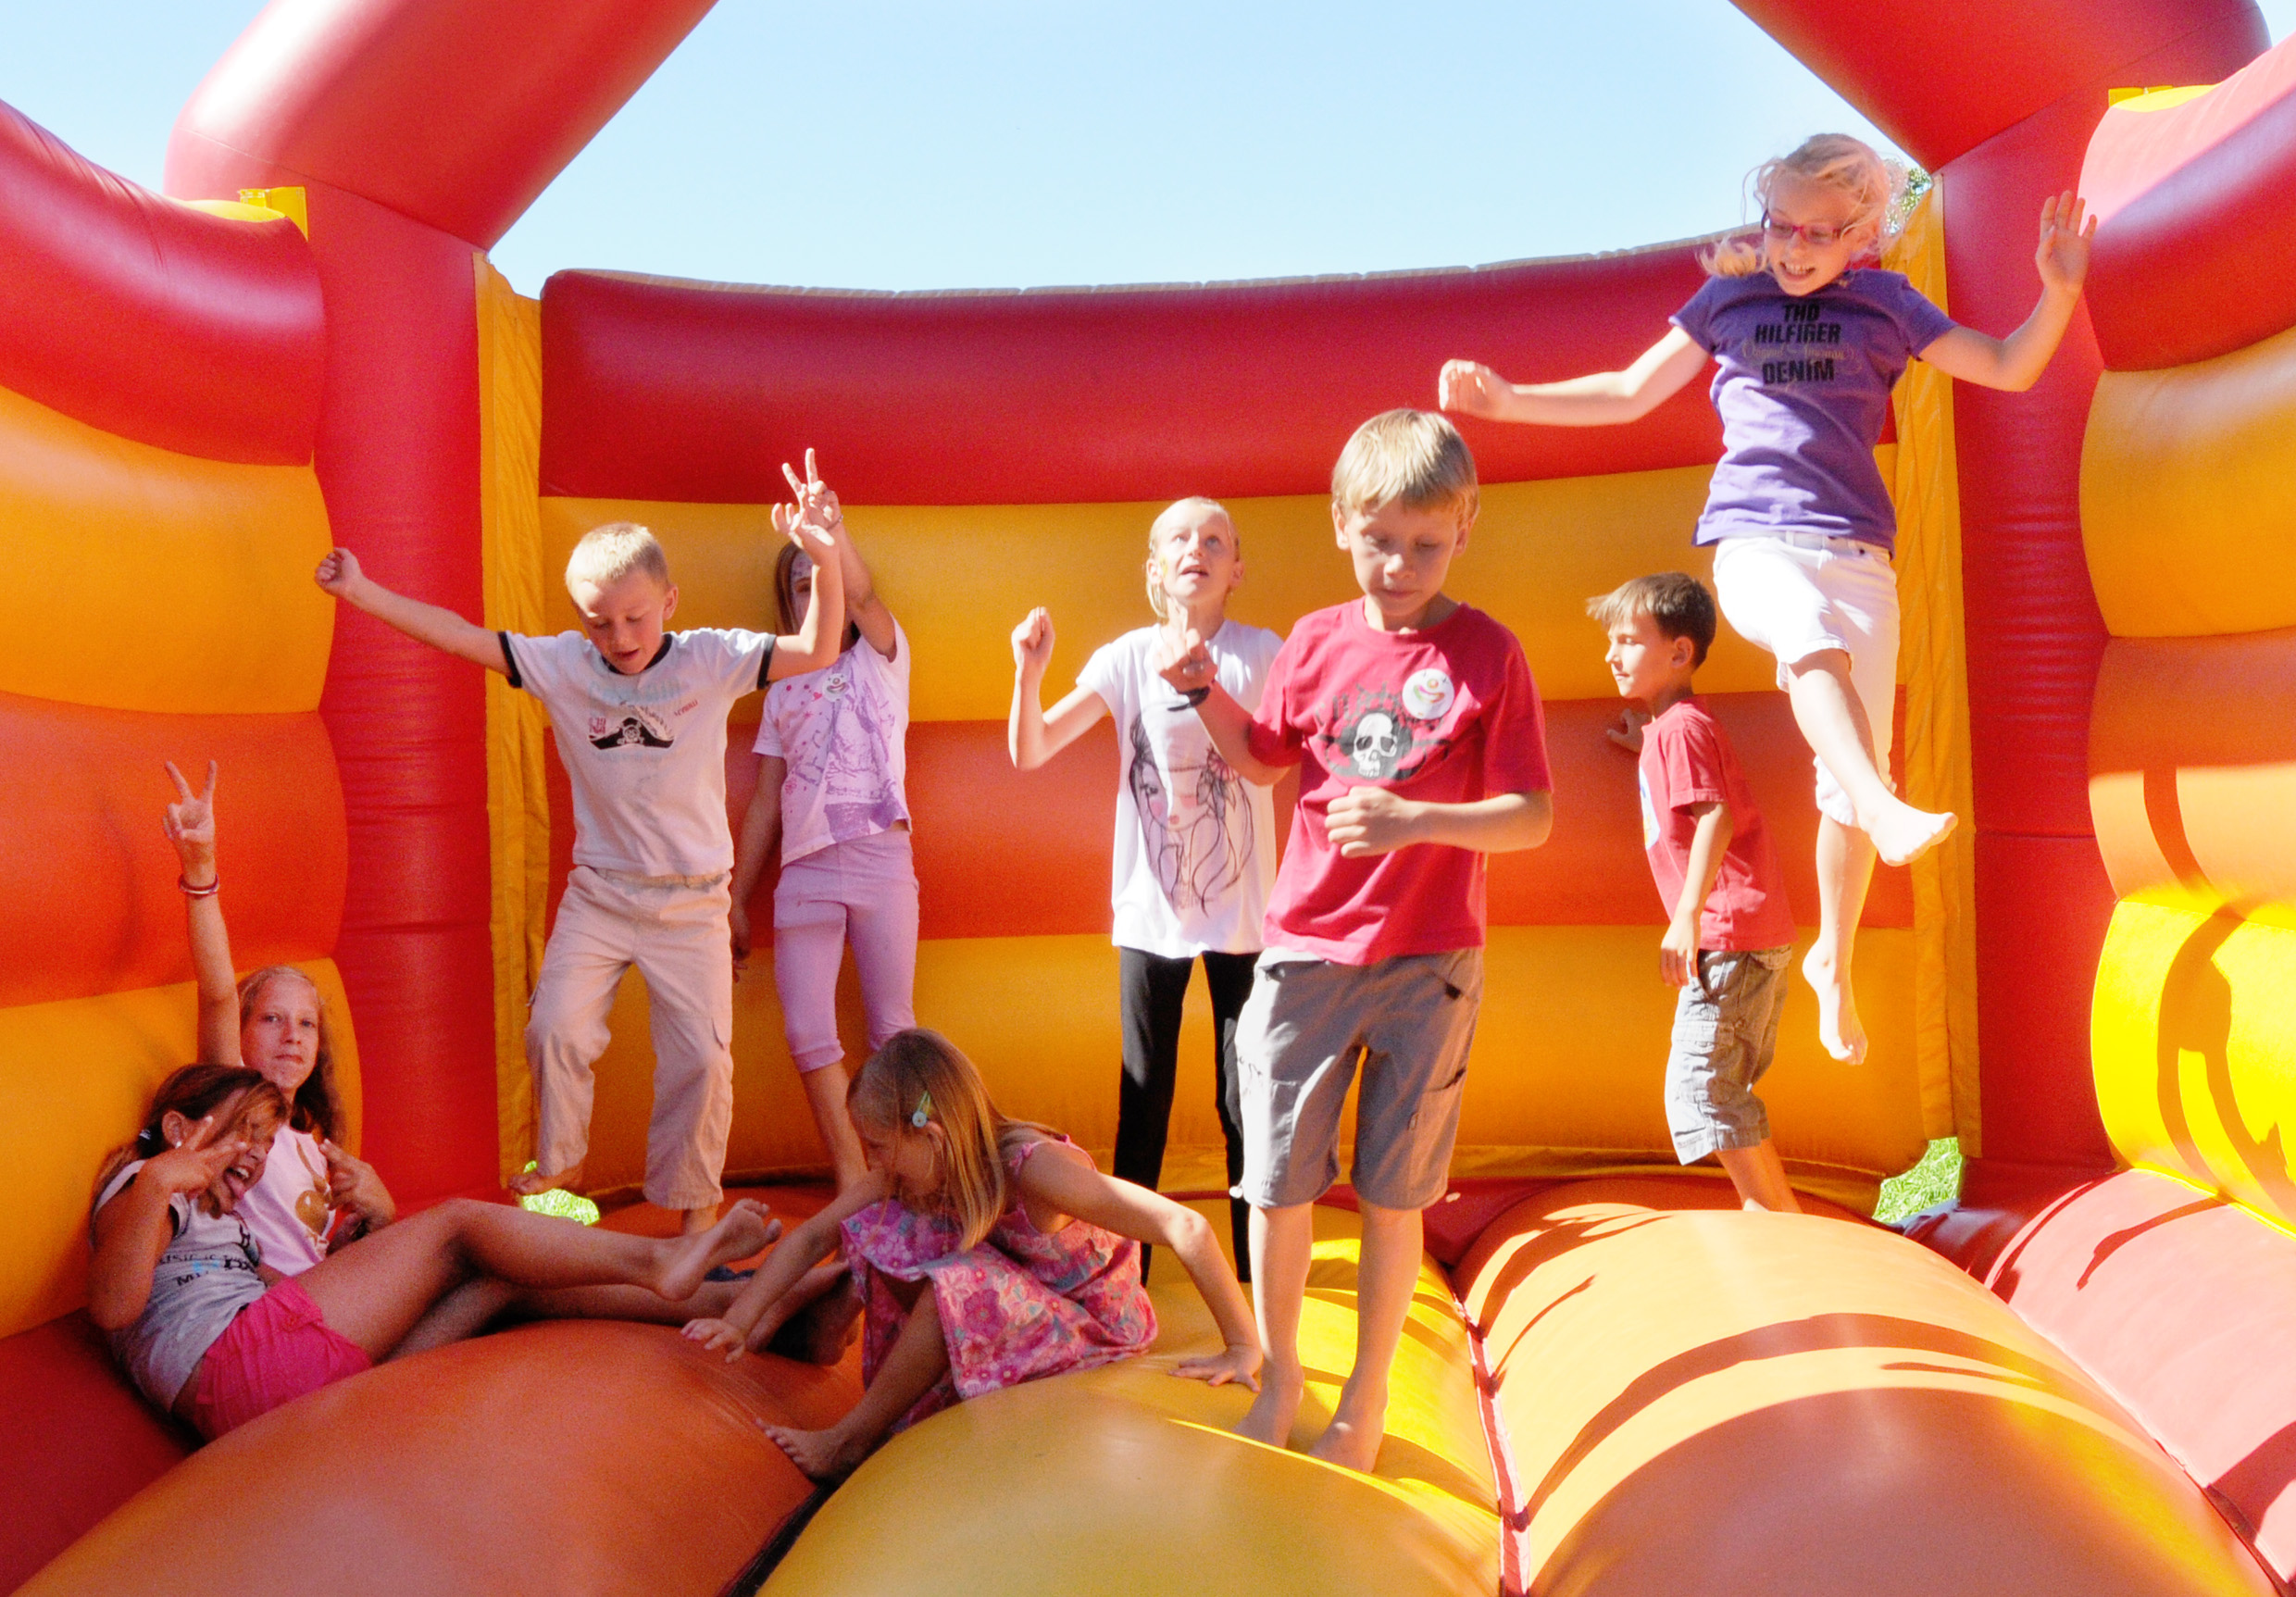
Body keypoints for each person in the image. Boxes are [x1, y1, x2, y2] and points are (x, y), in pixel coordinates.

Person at [1441, 132, 2093, 1067]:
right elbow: (1627, 392)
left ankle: (1833, 959)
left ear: (1860, 234)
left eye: (1817, 232)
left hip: (1856, 554)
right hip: (1753, 541)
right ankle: (1884, 804)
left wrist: (2057, 291)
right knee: (1811, 651)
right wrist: (1508, 400)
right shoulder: (1730, 301)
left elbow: (2007, 365)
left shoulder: (1885, 305)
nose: (1791, 246)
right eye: (1778, 224)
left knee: (1845, 773)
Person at [1156, 410, 1554, 1472]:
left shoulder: (1487, 654)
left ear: (1464, 527)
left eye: (1424, 544)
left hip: (1428, 962)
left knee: (1392, 1192)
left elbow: (1530, 816)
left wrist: (1414, 819)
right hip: (1305, 951)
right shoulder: (1315, 642)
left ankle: (1364, 1399)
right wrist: (1201, 695)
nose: (1399, 566)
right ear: (1339, 524)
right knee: (1276, 1182)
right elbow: (1262, 759)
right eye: (1378, 541)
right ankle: (1280, 1376)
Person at [313, 454, 848, 1234]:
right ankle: (562, 1178)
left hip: (693, 898)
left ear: (668, 601)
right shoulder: (565, 664)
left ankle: (695, 1228)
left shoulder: (708, 658)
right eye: (599, 622)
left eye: (635, 617)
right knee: (554, 1027)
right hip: (601, 892)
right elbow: (461, 637)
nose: (619, 636)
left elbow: (819, 648)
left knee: (702, 1062)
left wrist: (825, 557)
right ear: (578, 617)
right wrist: (361, 590)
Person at [681, 1028, 1262, 1480]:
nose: (872, 1162)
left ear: (931, 1135)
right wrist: (739, 1321)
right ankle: (833, 1336)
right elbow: (813, 1236)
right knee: (879, 1223)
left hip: (1094, 1329)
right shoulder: (923, 1168)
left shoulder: (1035, 1172)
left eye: (878, 1147)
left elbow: (1185, 1225)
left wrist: (1241, 1345)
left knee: (958, 1279)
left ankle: (849, 1441)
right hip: (1029, 1306)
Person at [88, 1063, 777, 1440]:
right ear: (176, 1127)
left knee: (500, 1280)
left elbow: (288, 1300)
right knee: (459, 1225)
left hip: (270, 1396)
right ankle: (660, 1261)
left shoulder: (221, 1225)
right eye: (245, 1133)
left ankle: (741, 1302)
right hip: (242, 1372)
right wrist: (159, 1180)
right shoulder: (147, 1185)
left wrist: (366, 1246)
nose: (257, 1155)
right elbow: (115, 1307)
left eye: (267, 1143)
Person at [1007, 497, 1281, 1278]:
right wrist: (1028, 671)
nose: (1198, 549)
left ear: (1237, 568)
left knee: (1244, 1101)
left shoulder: (1262, 652)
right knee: (1144, 1100)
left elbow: (1281, 754)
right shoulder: (1127, 657)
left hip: (1243, 919)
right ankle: (1130, 1274)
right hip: (1151, 916)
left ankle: (1253, 1274)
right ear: (1154, 569)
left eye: (1215, 540)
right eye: (1180, 540)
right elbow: (1032, 749)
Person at [1591, 573, 1802, 1213]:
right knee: (1720, 1090)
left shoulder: (1680, 729)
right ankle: (1780, 1217)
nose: (1612, 655)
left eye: (1629, 641)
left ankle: (1772, 1218)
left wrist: (1686, 917)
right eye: (1612, 641)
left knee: (1703, 1090)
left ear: (1680, 652)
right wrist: (1645, 744)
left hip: (1726, 935)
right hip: (1747, 934)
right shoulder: (1674, 729)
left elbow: (1717, 817)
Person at [730, 507, 915, 1192]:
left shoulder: (881, 656)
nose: (819, 593)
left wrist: (830, 533)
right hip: (805, 870)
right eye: (803, 586)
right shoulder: (782, 691)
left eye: (826, 578)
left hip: (879, 860)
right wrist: (736, 898)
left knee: (894, 1031)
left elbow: (861, 595)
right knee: (808, 1030)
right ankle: (854, 1178)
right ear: (789, 607)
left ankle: (911, 1170)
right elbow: (765, 803)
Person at [161, 759, 395, 1273]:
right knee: (462, 1234)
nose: (293, 1036)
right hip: (268, 1307)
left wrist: (367, 1224)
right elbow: (218, 993)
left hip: (315, 1299)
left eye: (307, 1024)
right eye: (271, 1019)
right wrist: (200, 868)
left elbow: (304, 1262)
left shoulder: (314, 1148)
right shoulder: (233, 1109)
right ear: (240, 1033)